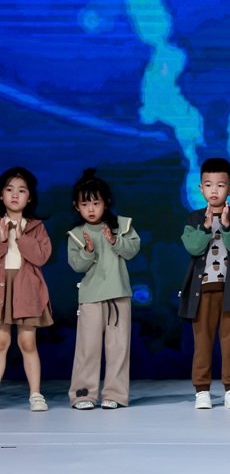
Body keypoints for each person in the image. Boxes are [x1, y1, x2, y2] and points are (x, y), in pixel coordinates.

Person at [179, 158, 230, 409]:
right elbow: (193, 247)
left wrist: (228, 226)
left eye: (220, 185)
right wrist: (206, 227)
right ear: (201, 188)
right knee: (203, 343)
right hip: (202, 292)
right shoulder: (194, 218)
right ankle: (202, 391)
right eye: (208, 185)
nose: (214, 190)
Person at [67, 169, 141, 410]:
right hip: (90, 297)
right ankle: (83, 395)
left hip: (118, 295)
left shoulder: (121, 225)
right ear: (76, 206)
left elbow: (132, 250)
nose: (91, 209)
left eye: (96, 203)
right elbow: (76, 265)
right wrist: (88, 251)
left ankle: (115, 395)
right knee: (87, 349)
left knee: (118, 348)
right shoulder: (76, 234)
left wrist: (114, 240)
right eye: (85, 204)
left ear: (106, 202)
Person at [0, 167, 52, 412]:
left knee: (28, 342)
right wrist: (2, 240)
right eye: (9, 189)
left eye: (21, 190)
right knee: (1, 342)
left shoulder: (36, 226)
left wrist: (21, 237)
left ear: (29, 197)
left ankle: (36, 394)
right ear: (1, 194)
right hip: (1, 288)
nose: (15, 195)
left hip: (27, 289)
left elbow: (41, 257)